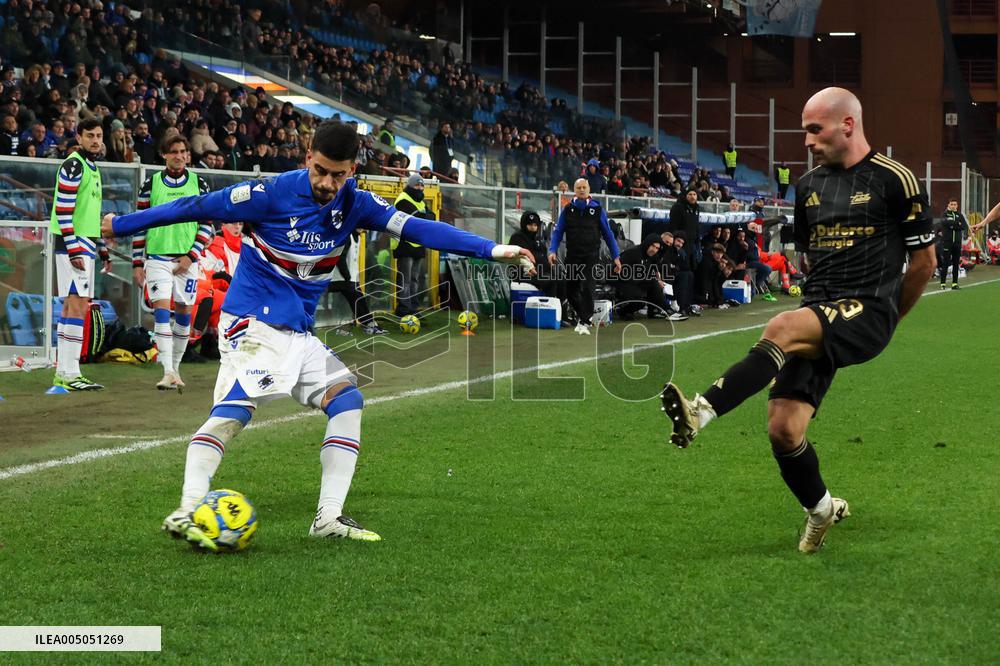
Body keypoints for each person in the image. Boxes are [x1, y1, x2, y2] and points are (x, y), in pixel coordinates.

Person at [102, 121, 534, 548]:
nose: (327, 182)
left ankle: (328, 518)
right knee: (234, 413)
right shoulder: (268, 194)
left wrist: (493, 249)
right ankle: (188, 507)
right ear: (308, 157)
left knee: (346, 400)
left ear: (352, 171)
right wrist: (121, 225)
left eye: (337, 175)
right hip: (252, 322)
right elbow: (194, 206)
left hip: (296, 331)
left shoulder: (357, 203)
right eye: (320, 170)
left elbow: (418, 227)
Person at [660, 88, 937, 554]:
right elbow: (811, 257)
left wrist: (889, 318)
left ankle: (700, 410)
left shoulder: (896, 179)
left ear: (847, 124)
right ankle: (822, 509)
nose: (807, 141)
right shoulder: (808, 186)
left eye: (814, 130)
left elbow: (924, 262)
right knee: (784, 429)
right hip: (819, 312)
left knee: (782, 327)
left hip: (868, 309)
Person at [132, 135, 213, 390]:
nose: (179, 156)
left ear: (188, 155)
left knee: (184, 315)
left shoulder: (199, 184)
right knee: (161, 311)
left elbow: (207, 224)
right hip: (157, 257)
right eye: (174, 151)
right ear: (164, 155)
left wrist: (191, 256)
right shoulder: (150, 184)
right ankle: (167, 370)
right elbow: (139, 224)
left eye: (183, 151)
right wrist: (137, 262)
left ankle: (175, 369)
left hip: (187, 260)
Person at [50, 117, 111, 391]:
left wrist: (102, 248)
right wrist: (74, 248)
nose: (95, 140)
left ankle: (63, 372)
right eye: (90, 136)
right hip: (73, 243)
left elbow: (89, 214)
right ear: (79, 137)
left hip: (83, 242)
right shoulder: (74, 165)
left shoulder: (92, 167)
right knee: (78, 304)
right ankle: (72, 372)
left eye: (98, 136)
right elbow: (63, 210)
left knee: (71, 304)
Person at [547, 178, 621, 335]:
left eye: (584, 187)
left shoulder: (598, 210)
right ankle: (584, 316)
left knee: (588, 287)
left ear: (588, 190)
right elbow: (558, 232)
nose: (582, 190)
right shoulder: (567, 210)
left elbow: (608, 235)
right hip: (573, 255)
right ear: (574, 190)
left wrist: (616, 256)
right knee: (570, 291)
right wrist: (552, 250)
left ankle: (585, 321)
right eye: (579, 187)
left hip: (591, 255)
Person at [392, 173, 430, 316]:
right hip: (405, 245)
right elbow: (416, 219)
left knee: (414, 279)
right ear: (410, 185)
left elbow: (431, 216)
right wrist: (425, 217)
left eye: (421, 185)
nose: (419, 188)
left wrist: (424, 217)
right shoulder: (403, 199)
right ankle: (403, 309)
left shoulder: (420, 201)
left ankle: (413, 308)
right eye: (417, 185)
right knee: (405, 280)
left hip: (417, 245)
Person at [938, 197, 968, 290]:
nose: (953, 206)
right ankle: (943, 283)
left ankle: (954, 283)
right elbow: (945, 223)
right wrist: (957, 224)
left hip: (957, 243)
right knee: (945, 262)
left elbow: (963, 226)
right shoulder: (945, 214)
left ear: (957, 206)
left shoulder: (960, 215)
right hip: (947, 242)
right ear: (948, 205)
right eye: (952, 204)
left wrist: (953, 225)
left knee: (956, 263)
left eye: (955, 204)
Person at [668, 188, 702, 266]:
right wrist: (677, 245)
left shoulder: (697, 208)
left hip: (692, 243)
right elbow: (673, 226)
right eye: (690, 194)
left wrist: (698, 243)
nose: (692, 197)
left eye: (694, 194)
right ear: (685, 196)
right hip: (681, 243)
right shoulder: (678, 207)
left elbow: (696, 225)